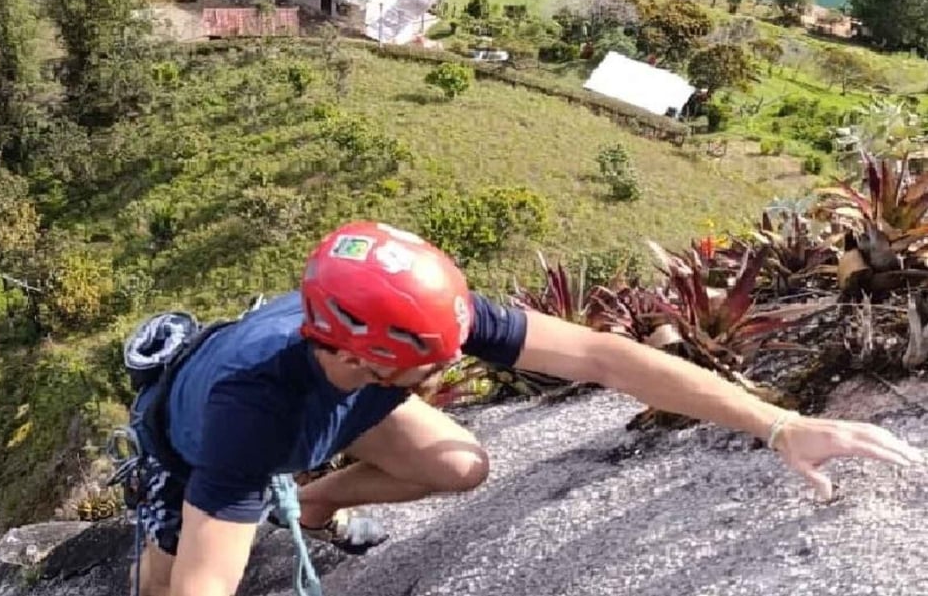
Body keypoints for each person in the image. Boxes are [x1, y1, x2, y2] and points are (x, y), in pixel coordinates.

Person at [123, 220, 924, 596]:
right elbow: (207, 582)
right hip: (189, 447)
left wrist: (779, 424)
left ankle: (311, 503)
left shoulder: (418, 318)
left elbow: (605, 357)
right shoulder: (252, 412)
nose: (450, 363)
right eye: (431, 362)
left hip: (326, 405)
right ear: (366, 358)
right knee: (164, 580)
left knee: (460, 463)